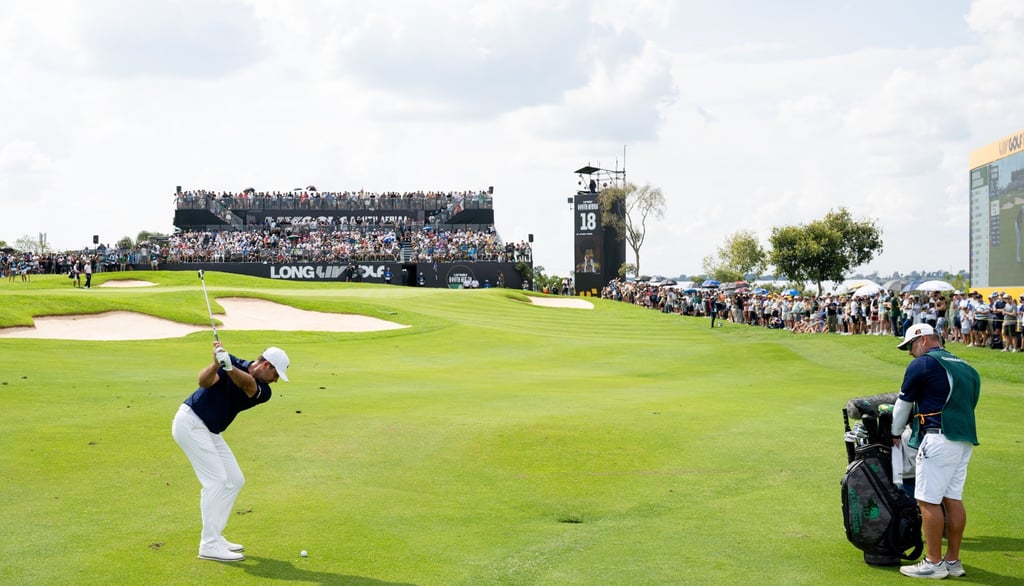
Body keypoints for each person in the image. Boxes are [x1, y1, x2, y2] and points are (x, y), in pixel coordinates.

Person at [172, 342, 290, 562]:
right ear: (266, 365)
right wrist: (216, 363)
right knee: (216, 482)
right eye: (276, 374)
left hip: (210, 431)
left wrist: (228, 368)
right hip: (191, 423)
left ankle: (215, 536)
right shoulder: (231, 361)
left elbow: (248, 385)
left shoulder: (264, 391)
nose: (276, 380)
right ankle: (208, 545)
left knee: (235, 480)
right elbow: (204, 382)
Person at [891, 323, 980, 579]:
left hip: (938, 437)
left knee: (928, 501)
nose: (910, 353)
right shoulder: (965, 366)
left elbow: (902, 405)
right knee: (952, 498)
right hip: (962, 439)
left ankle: (933, 562)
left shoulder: (924, 364)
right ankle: (953, 561)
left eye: (910, 346)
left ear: (923, 340)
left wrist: (896, 434)